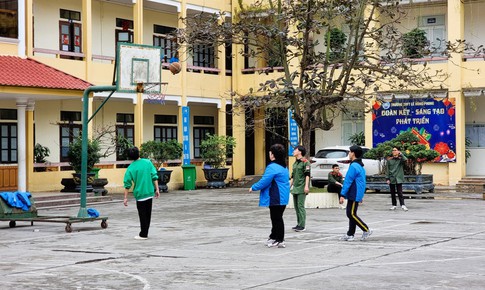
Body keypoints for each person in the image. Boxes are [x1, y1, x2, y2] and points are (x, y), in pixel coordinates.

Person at [249, 144, 290, 248]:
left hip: (276, 196)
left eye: (270, 152)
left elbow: (265, 181)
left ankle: (280, 239)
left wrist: (253, 187)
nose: (269, 154)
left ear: (273, 154)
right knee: (276, 217)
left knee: (277, 218)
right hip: (282, 196)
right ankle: (274, 236)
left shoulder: (272, 167)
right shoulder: (284, 166)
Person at [123, 147, 160, 240]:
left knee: (142, 215)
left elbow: (127, 184)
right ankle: (145, 232)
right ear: (139, 153)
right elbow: (154, 176)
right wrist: (157, 189)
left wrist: (125, 197)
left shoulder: (131, 168)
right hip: (149, 192)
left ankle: (143, 234)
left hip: (140, 194)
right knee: (148, 215)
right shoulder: (147, 162)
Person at [339, 145, 372, 241]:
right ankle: (350, 234)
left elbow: (348, 181)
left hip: (354, 192)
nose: (349, 154)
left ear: (353, 153)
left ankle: (366, 229)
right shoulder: (359, 165)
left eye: (349, 152)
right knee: (351, 213)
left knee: (351, 214)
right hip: (355, 192)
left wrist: (342, 194)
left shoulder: (354, 165)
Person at [290, 145, 310, 232]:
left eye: (295, 150)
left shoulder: (305, 162)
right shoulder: (295, 163)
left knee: (301, 206)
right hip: (295, 187)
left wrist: (306, 186)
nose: (293, 151)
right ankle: (298, 224)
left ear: (300, 152)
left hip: (302, 187)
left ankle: (302, 225)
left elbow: (307, 175)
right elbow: (292, 176)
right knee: (296, 207)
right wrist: (289, 186)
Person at [387, 147, 408, 211]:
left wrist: (400, 154)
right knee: (392, 193)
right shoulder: (389, 160)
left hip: (398, 178)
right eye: (393, 150)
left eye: (395, 150)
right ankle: (394, 205)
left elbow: (405, 159)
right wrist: (387, 178)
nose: (394, 151)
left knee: (400, 192)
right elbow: (387, 170)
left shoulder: (400, 160)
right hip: (392, 178)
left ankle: (403, 205)